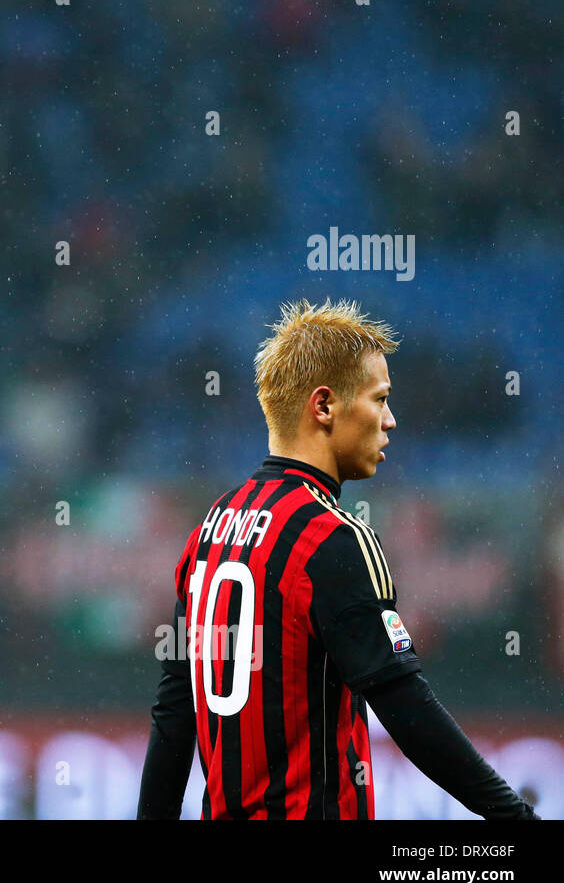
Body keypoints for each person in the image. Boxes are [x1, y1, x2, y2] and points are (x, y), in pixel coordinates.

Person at [137, 297, 539, 819]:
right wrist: (516, 817)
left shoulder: (209, 532)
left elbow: (174, 716)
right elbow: (406, 709)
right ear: (324, 406)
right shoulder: (332, 539)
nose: (391, 421)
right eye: (380, 399)